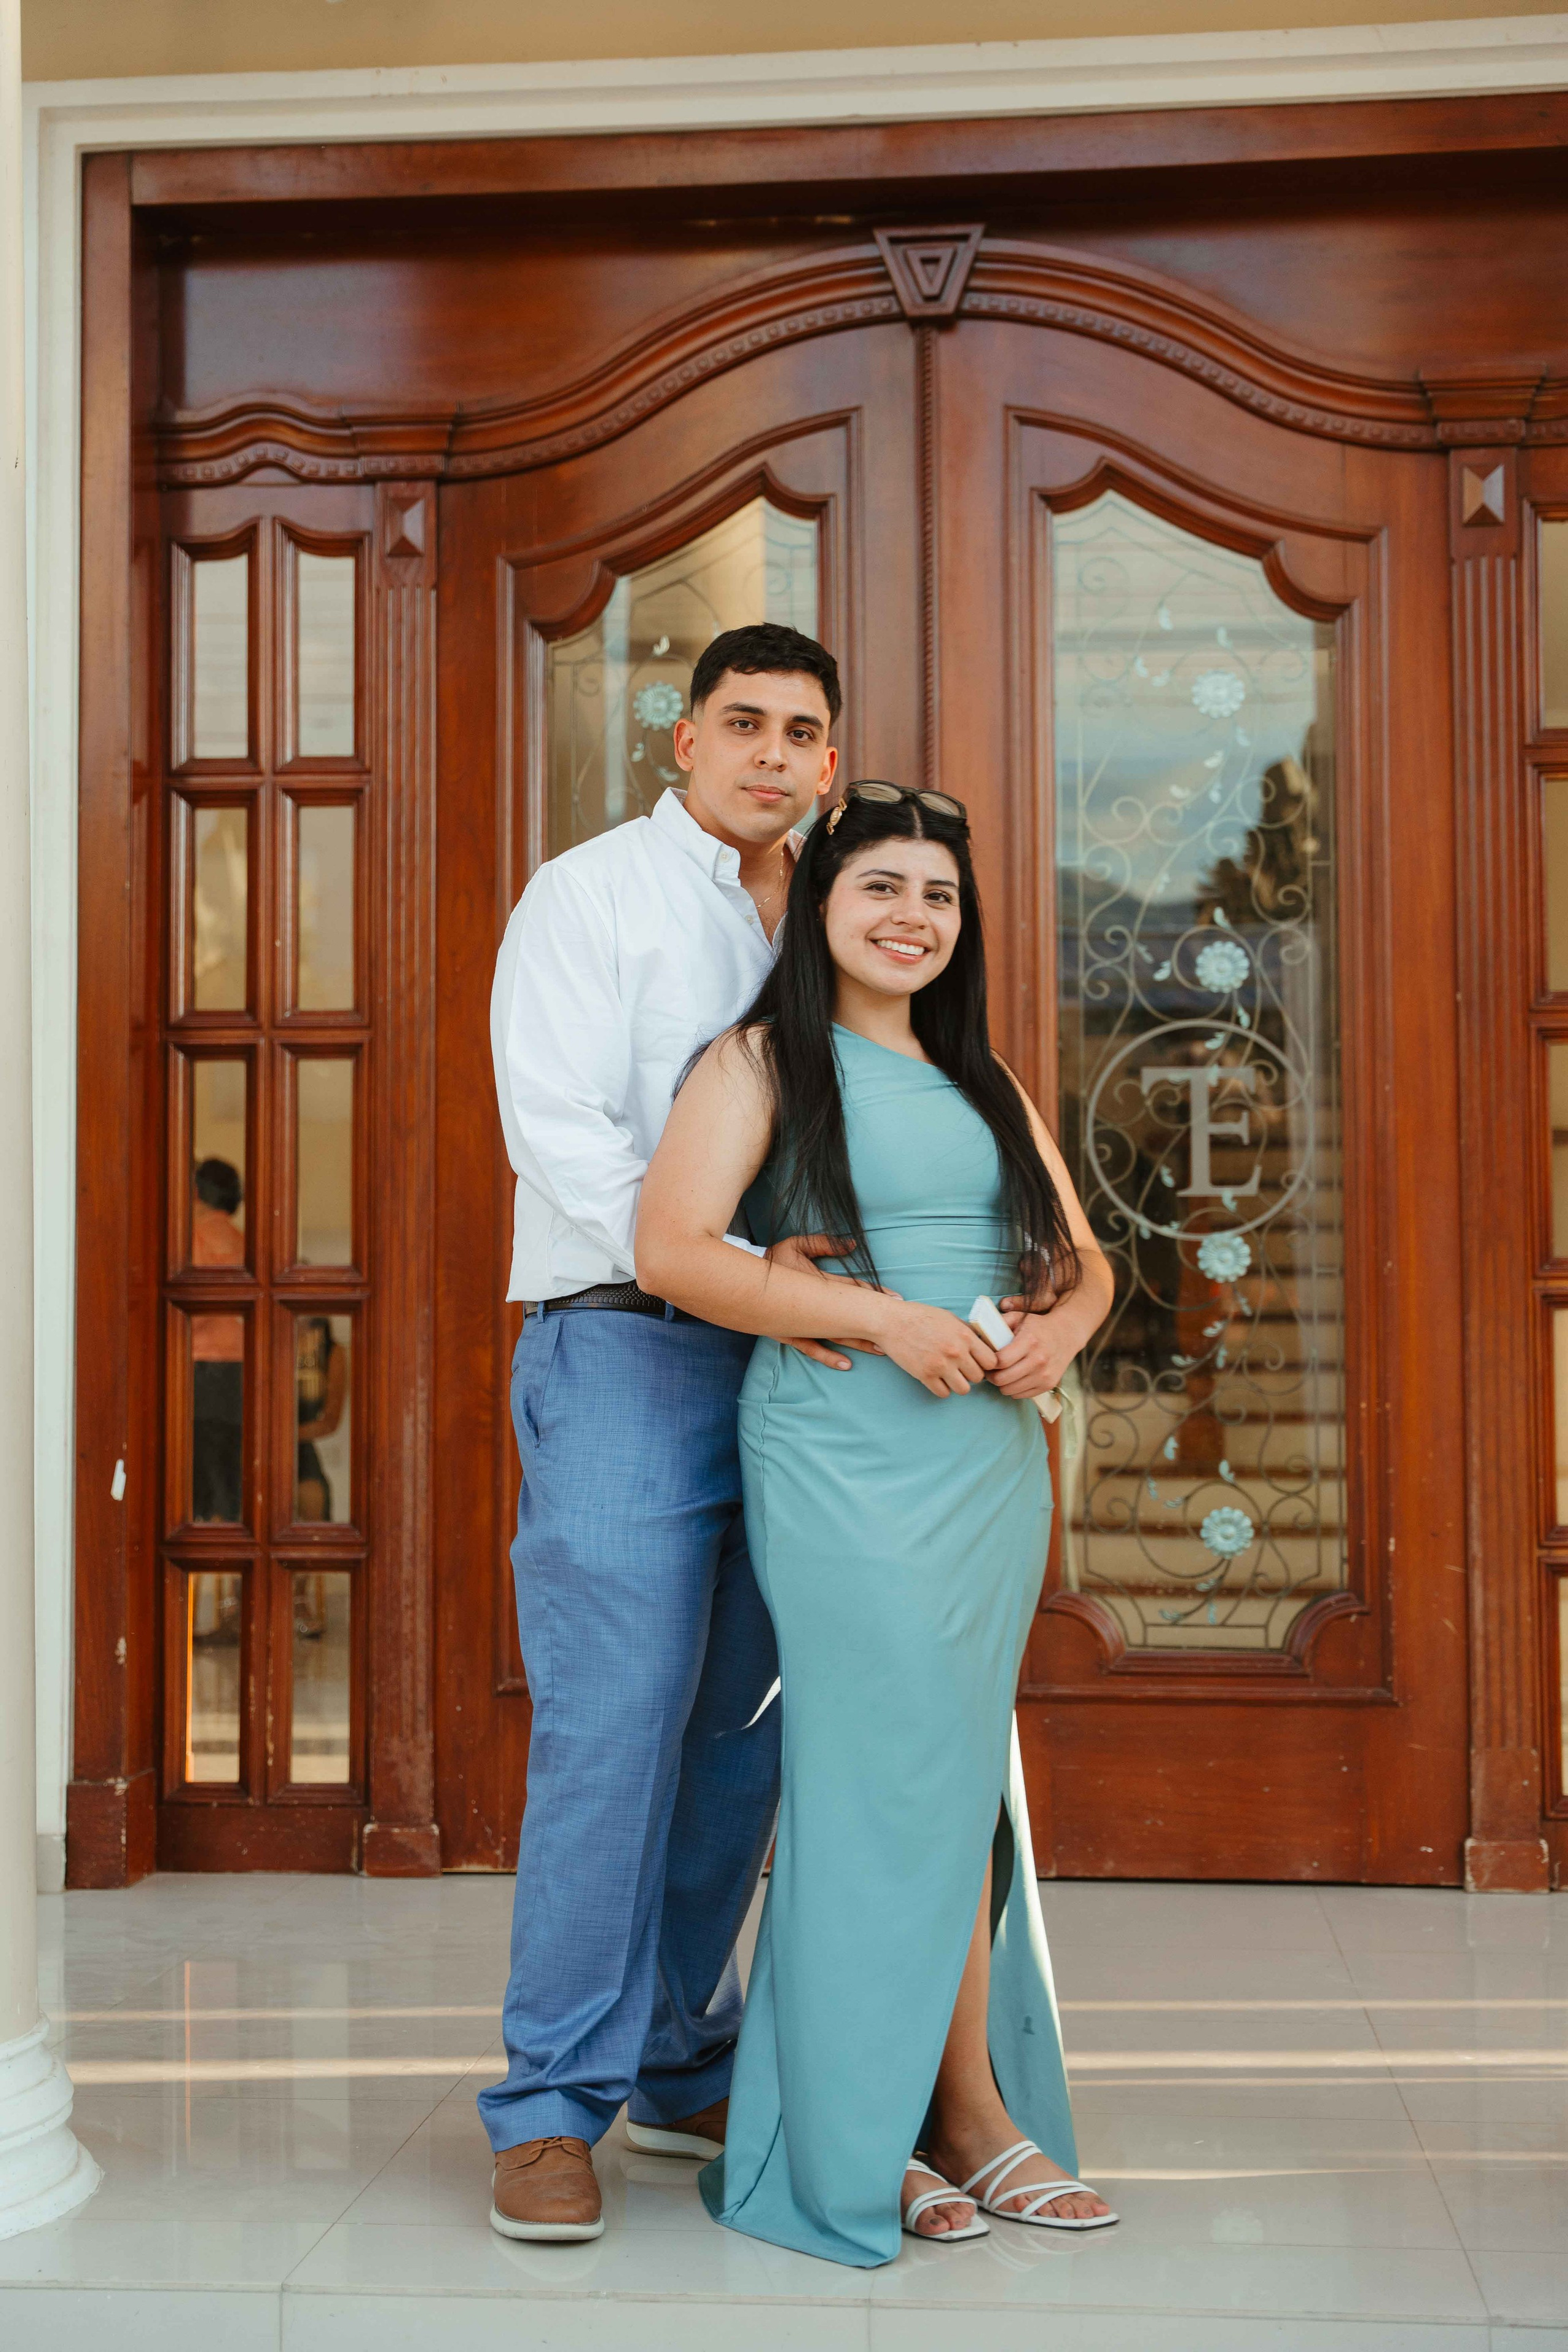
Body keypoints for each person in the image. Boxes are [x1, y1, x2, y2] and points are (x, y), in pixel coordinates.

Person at [635, 780, 1120, 2265]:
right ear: (818, 908)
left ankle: (959, 2108)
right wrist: (883, 1317)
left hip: (982, 1456)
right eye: (880, 889)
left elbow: (1085, 1260)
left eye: (938, 896)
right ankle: (859, 2125)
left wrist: (1065, 1327)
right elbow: (669, 1251)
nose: (913, 917)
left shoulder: (986, 1082)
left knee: (960, 1777)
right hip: (841, 1446)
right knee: (862, 1782)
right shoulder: (761, 1060)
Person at [482, 622, 865, 2243]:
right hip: (631, 1351)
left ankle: (676, 2051)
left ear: (829, 763)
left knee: (741, 1739)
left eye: (801, 731)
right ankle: (551, 2106)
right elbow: (559, 1132)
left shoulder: (850, 918)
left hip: (798, 1372)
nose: (772, 752)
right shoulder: (591, 897)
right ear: (683, 746)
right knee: (612, 1734)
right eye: (743, 723)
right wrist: (706, 1257)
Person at [190, 1157, 246, 1527]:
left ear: (198, 1193)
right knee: (230, 1466)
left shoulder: (194, 1237)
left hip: (202, 1365)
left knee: (200, 1467)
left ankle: (203, 1573)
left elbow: (197, 1304)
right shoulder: (242, 1241)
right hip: (241, 1367)